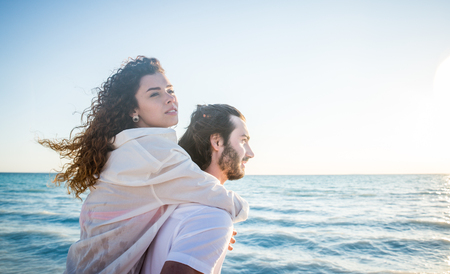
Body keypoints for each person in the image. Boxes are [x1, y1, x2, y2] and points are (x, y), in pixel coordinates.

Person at [39, 57, 249, 273]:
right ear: (133, 110)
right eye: (155, 94)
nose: (169, 99)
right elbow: (215, 194)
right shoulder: (156, 153)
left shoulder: (123, 147)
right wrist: (226, 221)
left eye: (170, 90)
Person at [142, 104, 254, 274]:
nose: (250, 153)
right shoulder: (212, 216)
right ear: (217, 141)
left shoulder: (166, 205)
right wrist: (214, 225)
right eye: (243, 141)